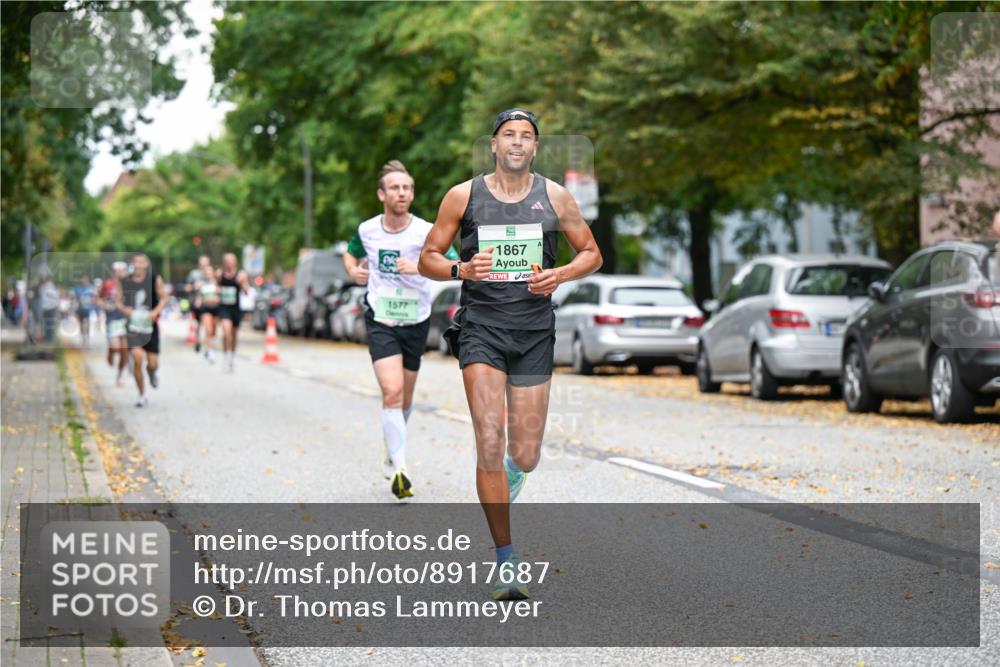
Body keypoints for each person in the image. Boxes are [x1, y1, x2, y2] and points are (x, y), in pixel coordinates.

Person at [419, 109, 602, 599]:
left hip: (534, 331)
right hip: (481, 330)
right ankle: (506, 559)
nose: (517, 143)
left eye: (526, 136)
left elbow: (591, 253)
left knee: (525, 453)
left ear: (535, 148)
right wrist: (463, 270)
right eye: (508, 135)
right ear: (494, 146)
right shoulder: (464, 195)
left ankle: (514, 473)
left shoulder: (555, 196)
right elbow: (428, 258)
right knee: (488, 439)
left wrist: (558, 274)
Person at [344, 160, 459, 500]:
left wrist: (423, 266)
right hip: (381, 317)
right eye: (395, 188)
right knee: (392, 392)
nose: (402, 193)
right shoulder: (367, 230)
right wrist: (354, 272)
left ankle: (393, 441)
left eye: (407, 188)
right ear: (382, 194)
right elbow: (350, 257)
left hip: (417, 318)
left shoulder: (425, 231)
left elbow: (452, 265)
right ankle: (401, 468)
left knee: (405, 398)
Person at [116, 253, 166, 407]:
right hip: (133, 327)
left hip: (150, 326)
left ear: (146, 264)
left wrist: (155, 312)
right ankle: (142, 394)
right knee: (137, 359)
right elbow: (117, 300)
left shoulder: (154, 279)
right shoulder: (125, 281)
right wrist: (125, 310)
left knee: (152, 363)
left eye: (142, 262)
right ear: (132, 263)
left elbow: (164, 298)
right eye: (136, 262)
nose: (139, 265)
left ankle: (152, 373)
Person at [216, 252, 250, 373]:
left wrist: (242, 284)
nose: (229, 263)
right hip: (224, 308)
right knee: (226, 332)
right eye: (227, 261)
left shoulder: (241, 275)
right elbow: (216, 287)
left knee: (234, 335)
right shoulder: (219, 274)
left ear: (235, 262)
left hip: (235, 309)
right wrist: (218, 291)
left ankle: (231, 357)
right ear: (224, 262)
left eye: (231, 260)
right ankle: (226, 355)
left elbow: (246, 291)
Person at [193, 255, 220, 363]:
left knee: (213, 331)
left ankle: (208, 346)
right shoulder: (201, 283)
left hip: (216, 309)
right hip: (206, 309)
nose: (208, 274)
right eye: (206, 272)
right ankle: (210, 351)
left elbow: (221, 296)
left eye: (210, 272)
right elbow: (199, 297)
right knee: (208, 330)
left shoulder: (218, 283)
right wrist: (198, 301)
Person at [71, 275, 97, 346]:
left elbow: (94, 297)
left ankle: (87, 338)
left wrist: (93, 303)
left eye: (86, 279)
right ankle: (83, 337)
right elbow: (74, 298)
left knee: (88, 323)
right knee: (81, 324)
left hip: (88, 309)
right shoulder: (78, 288)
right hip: (80, 308)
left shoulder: (91, 288)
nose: (84, 281)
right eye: (83, 279)